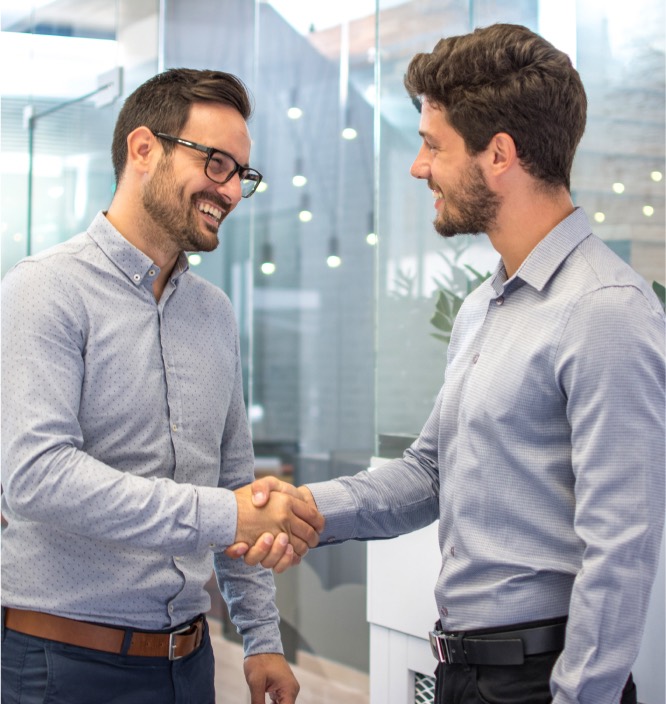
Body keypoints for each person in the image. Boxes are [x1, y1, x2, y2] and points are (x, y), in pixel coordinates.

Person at [231, 24, 666, 704]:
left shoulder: (605, 310)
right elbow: (428, 473)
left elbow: (623, 547)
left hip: (541, 682)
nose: (418, 166)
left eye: (433, 145)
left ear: (500, 155)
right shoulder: (484, 306)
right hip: (464, 674)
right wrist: (309, 507)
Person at [1, 68, 324, 704]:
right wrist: (223, 511)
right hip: (62, 664)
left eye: (241, 175)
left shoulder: (214, 313)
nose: (230, 190)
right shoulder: (44, 291)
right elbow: (36, 475)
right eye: (217, 163)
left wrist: (260, 639)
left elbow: (236, 483)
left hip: (188, 663)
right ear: (144, 149)